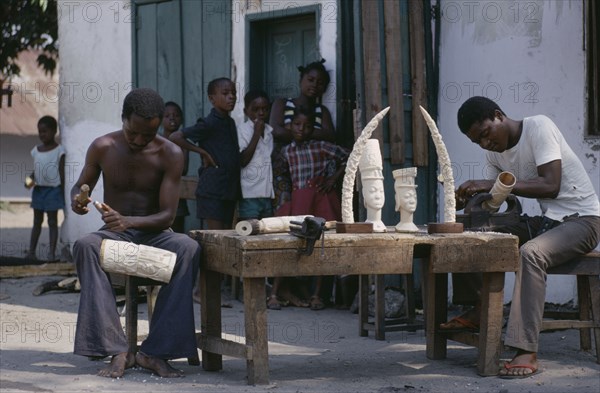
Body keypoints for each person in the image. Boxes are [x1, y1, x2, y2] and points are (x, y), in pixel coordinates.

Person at [443, 96, 600, 378]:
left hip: (583, 221)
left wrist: (490, 185)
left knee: (532, 252)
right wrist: (468, 202)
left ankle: (525, 348)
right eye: (477, 142)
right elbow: (493, 203)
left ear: (498, 115)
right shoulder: (494, 155)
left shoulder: (539, 127)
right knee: (468, 231)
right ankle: (479, 307)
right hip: (548, 222)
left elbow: (550, 185)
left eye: (486, 134)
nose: (485, 144)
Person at [70, 88, 200, 379]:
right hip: (115, 234)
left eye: (149, 135)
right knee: (84, 246)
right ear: (123, 119)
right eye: (133, 134)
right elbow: (80, 186)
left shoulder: (171, 153)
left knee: (188, 248)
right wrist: (77, 200)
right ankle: (116, 348)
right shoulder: (102, 146)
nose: (141, 141)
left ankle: (154, 352)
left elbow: (168, 214)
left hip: (155, 232)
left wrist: (128, 221)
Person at [269, 107, 349, 311]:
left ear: (312, 129)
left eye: (306, 126)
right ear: (289, 126)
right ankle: (274, 294)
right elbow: (282, 177)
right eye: (297, 125)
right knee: (287, 244)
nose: (301, 130)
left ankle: (317, 295)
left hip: (320, 199)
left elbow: (349, 156)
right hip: (298, 200)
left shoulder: (321, 146)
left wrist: (333, 178)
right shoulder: (286, 151)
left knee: (322, 245)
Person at [169, 77, 240, 303]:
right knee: (214, 243)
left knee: (224, 242)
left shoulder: (229, 123)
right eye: (226, 93)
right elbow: (176, 136)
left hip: (228, 189)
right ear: (212, 98)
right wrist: (203, 153)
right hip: (211, 190)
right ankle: (200, 291)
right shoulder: (208, 123)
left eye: (233, 93)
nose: (231, 97)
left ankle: (209, 291)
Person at [269, 59, 336, 211]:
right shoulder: (282, 104)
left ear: (324, 88)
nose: (314, 85)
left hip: (313, 170)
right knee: (285, 207)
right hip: (284, 166)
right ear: (301, 80)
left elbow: (330, 136)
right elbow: (276, 131)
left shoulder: (322, 111)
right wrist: (314, 133)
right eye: (310, 80)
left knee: (311, 207)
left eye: (320, 83)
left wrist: (293, 131)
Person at [25, 115, 65, 262]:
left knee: (52, 222)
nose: (42, 135)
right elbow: (36, 170)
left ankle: (51, 254)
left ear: (54, 131)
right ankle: (31, 252)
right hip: (39, 191)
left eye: (45, 131)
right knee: (36, 222)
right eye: (40, 131)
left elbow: (61, 172)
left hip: (53, 191)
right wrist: (28, 181)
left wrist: (63, 192)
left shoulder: (59, 150)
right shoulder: (36, 150)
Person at [237, 89, 274, 220]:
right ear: (246, 111)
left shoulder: (269, 132)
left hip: (267, 193)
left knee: (266, 233)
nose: (261, 113)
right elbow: (242, 160)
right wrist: (256, 133)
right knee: (250, 230)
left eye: (265, 109)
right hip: (249, 194)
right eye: (255, 109)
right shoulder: (242, 131)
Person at [161, 101, 189, 233]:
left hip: (178, 195)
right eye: (167, 116)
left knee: (177, 231)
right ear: (160, 120)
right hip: (157, 196)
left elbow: (183, 169)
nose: (172, 118)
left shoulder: (183, 143)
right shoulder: (155, 140)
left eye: (176, 115)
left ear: (182, 119)